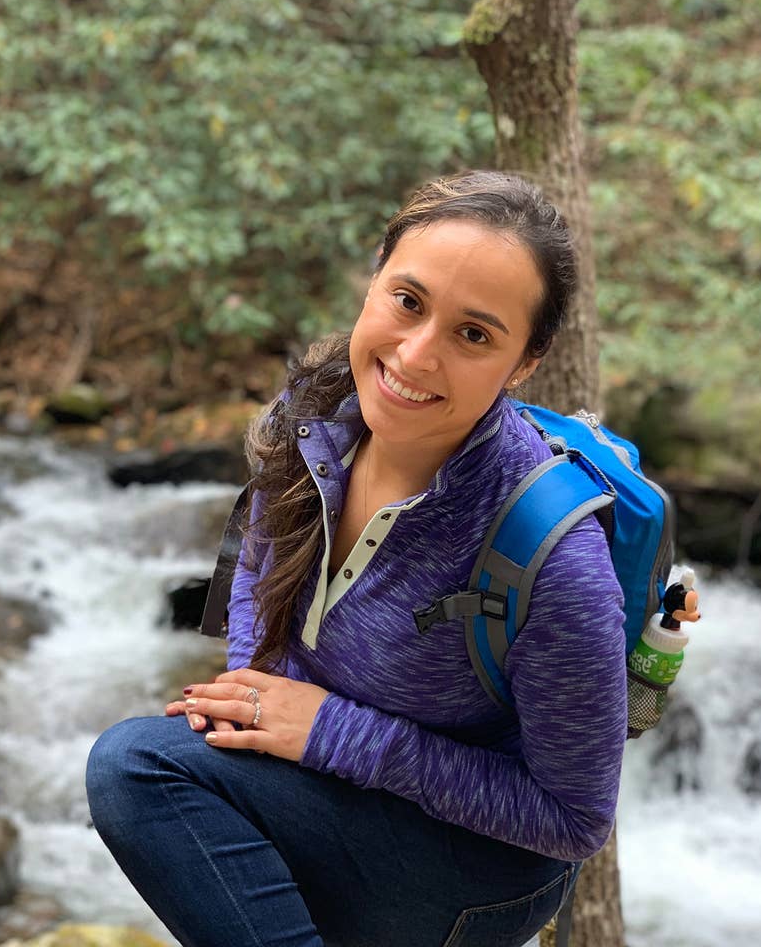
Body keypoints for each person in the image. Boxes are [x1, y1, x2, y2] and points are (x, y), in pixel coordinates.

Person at [86, 170, 628, 947]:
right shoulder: (308, 418)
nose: (415, 354)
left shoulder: (551, 555)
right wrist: (256, 699)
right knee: (160, 767)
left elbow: (573, 822)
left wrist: (331, 733)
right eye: (408, 301)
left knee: (136, 768)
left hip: (481, 873)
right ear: (374, 280)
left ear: (525, 364)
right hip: (339, 796)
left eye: (473, 335)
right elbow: (256, 574)